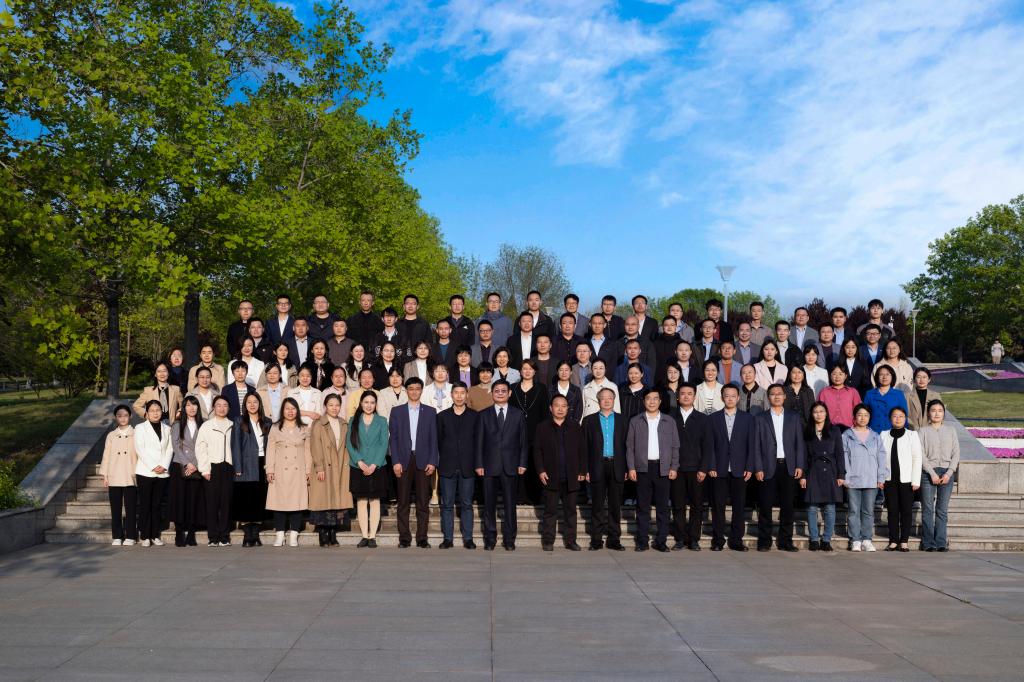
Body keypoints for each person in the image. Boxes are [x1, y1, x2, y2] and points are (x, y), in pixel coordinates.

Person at [475, 380, 527, 551]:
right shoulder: (483, 414)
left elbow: (523, 441)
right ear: (492, 393)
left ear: (509, 393)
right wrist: (479, 464)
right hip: (489, 465)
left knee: (510, 505)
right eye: (496, 390)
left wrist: (522, 462)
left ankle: (509, 539)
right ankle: (490, 538)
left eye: (503, 391)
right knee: (489, 505)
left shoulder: (518, 414)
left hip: (511, 465)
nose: (500, 393)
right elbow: (479, 442)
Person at [754, 385, 806, 552]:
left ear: (785, 396)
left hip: (788, 466)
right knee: (765, 505)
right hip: (767, 466)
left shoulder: (793, 417)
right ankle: (764, 541)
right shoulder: (760, 418)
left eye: (779, 394)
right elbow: (756, 446)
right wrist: (758, 467)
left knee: (788, 506)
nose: (776, 396)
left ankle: (785, 541)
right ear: (768, 397)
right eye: (772, 394)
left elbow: (799, 443)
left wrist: (800, 465)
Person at [626, 389, 679, 552]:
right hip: (643, 469)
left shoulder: (669, 421)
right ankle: (642, 541)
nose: (652, 402)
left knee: (663, 507)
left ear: (660, 401)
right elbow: (630, 447)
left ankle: (661, 541)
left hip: (663, 468)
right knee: (643, 507)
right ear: (644, 401)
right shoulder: (636, 421)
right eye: (648, 398)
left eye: (655, 398)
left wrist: (674, 467)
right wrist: (631, 467)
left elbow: (675, 446)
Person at [389, 378, 439, 548]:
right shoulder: (397, 411)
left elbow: (434, 438)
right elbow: (393, 439)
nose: (414, 391)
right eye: (411, 388)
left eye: (418, 388)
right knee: (403, 502)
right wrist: (395, 461)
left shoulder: (430, 412)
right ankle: (404, 538)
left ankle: (422, 538)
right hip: (403, 460)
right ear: (406, 390)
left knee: (423, 502)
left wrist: (432, 461)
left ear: (421, 390)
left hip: (423, 460)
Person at [535, 395, 587, 551]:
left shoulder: (575, 426)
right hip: (550, 476)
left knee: (570, 511)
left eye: (564, 406)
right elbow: (537, 451)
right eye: (557, 405)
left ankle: (571, 540)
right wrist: (541, 470)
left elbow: (582, 450)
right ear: (551, 408)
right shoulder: (542, 427)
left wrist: (582, 470)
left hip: (571, 476)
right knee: (550, 511)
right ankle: (548, 540)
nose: (560, 409)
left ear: (568, 408)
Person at [707, 385, 756, 551]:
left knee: (739, 506)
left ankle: (736, 540)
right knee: (718, 506)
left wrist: (750, 466)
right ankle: (718, 540)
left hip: (740, 469)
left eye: (733, 396)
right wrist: (711, 465)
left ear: (738, 398)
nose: (730, 399)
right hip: (718, 469)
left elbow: (751, 445)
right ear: (722, 398)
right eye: (726, 396)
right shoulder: (713, 418)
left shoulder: (747, 418)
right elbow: (710, 445)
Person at [582, 388, 627, 551]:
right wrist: (585, 469)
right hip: (597, 465)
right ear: (598, 400)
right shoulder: (589, 421)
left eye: (610, 398)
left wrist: (627, 468)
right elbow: (584, 447)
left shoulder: (623, 420)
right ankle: (596, 539)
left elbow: (627, 446)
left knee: (615, 505)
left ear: (614, 400)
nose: (607, 401)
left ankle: (614, 539)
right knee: (597, 505)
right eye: (603, 398)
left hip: (617, 465)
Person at [437, 382, 480, 549]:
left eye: (462, 393)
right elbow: (438, 441)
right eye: (456, 392)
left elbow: (478, 442)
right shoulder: (442, 416)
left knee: (467, 504)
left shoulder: (475, 416)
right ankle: (448, 538)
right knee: (447, 504)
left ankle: (468, 538)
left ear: (467, 395)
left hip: (468, 466)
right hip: (447, 465)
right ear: (451, 395)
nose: (459, 396)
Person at [671, 383, 712, 551]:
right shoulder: (670, 417)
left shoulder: (703, 419)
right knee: (678, 505)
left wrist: (703, 468)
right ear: (677, 397)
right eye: (683, 393)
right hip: (677, 469)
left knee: (697, 505)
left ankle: (694, 539)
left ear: (695, 396)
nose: (686, 396)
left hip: (696, 469)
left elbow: (708, 446)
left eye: (689, 393)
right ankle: (680, 538)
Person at [308, 394, 353, 548]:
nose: (334, 408)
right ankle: (323, 534)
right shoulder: (318, 423)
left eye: (337, 405)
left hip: (340, 466)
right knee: (323, 501)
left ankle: (333, 533)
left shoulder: (344, 423)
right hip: (324, 466)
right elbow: (315, 446)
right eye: (331, 405)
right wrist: (319, 467)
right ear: (325, 406)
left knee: (336, 501)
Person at [841, 404, 888, 552]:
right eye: (860, 415)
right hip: (853, 480)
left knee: (868, 511)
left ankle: (867, 539)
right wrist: (846, 477)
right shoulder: (847, 435)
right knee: (854, 511)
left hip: (871, 480)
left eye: (866, 415)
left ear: (869, 418)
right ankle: (855, 539)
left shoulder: (875, 436)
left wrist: (881, 477)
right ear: (854, 417)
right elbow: (844, 458)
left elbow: (882, 457)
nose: (863, 418)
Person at [265, 397, 310, 547]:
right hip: (280, 470)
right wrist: (269, 469)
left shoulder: (304, 428)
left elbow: (308, 451)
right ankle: (280, 535)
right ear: (282, 411)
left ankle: (294, 535)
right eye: (287, 408)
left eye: (293, 408)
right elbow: (270, 450)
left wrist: (308, 470)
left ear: (297, 411)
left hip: (298, 470)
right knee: (279, 503)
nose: (290, 411)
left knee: (297, 503)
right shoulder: (275, 428)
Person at [801, 401, 845, 552]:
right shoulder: (807, 431)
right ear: (811, 414)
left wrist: (841, 474)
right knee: (812, 507)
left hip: (831, 471)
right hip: (813, 470)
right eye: (815, 412)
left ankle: (826, 540)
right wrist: (803, 475)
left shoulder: (834, 430)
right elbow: (804, 455)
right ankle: (814, 539)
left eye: (821, 411)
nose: (818, 414)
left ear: (826, 413)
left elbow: (840, 453)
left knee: (830, 508)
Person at [348, 391, 389, 548]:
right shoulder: (353, 420)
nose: (369, 405)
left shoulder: (382, 421)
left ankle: (372, 536)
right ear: (361, 403)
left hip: (376, 466)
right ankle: (364, 535)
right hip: (358, 466)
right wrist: (359, 461)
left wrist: (374, 464)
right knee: (361, 500)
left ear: (376, 404)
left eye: (372, 402)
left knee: (375, 500)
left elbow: (384, 443)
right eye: (366, 402)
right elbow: (349, 443)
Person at [918, 400, 960, 552]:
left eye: (940, 410)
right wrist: (931, 473)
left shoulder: (951, 430)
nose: (936, 413)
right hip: (928, 473)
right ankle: (928, 542)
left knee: (942, 509)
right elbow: (921, 454)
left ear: (944, 413)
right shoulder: (922, 431)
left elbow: (956, 453)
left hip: (947, 473)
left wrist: (949, 473)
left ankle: (941, 541)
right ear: (928, 413)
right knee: (928, 509)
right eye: (933, 410)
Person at [232, 393, 271, 548]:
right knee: (245, 499)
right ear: (245, 404)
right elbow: (235, 445)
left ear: (259, 404)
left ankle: (255, 534)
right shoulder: (239, 421)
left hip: (262, 463)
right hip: (245, 464)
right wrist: (238, 467)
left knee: (259, 498)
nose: (252, 405)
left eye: (255, 402)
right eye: (249, 402)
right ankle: (247, 535)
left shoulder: (267, 421)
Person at [880, 406, 922, 552]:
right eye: (895, 416)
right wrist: (880, 477)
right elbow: (880, 458)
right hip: (889, 479)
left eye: (901, 416)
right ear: (890, 418)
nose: (897, 419)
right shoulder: (883, 435)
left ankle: (904, 541)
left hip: (907, 480)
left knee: (906, 511)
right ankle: (893, 540)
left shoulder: (912, 435)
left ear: (905, 419)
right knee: (892, 510)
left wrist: (916, 480)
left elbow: (917, 458)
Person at [195, 396, 234, 547]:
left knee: (226, 503)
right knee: (212, 503)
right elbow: (201, 448)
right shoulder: (207, 426)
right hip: (212, 467)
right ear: (213, 407)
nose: (222, 408)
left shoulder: (233, 424)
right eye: (218, 405)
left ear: (229, 408)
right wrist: (204, 469)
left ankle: (224, 536)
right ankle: (213, 536)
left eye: (225, 405)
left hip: (228, 467)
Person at [134, 400, 172, 547]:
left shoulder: (167, 428)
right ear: (147, 413)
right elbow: (140, 449)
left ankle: (155, 534)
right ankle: (145, 535)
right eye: (152, 410)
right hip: (145, 471)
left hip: (162, 472)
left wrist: (164, 465)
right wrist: (153, 466)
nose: (155, 413)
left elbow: (170, 449)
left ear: (161, 412)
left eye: (158, 410)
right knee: (145, 504)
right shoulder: (140, 428)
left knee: (157, 505)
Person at [511, 359, 549, 504]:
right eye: (524, 368)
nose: (527, 371)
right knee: (518, 465)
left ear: (534, 371)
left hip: (536, 433)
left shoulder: (541, 388)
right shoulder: (513, 388)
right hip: (516, 433)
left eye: (530, 369)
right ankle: (520, 496)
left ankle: (535, 497)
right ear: (520, 371)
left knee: (534, 464)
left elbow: (545, 413)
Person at [100, 405, 138, 546]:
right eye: (119, 416)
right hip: (114, 474)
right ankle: (117, 535)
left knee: (131, 508)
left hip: (130, 474)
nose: (123, 418)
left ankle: (131, 536)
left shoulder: (136, 433)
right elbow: (106, 456)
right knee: (115, 508)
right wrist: (105, 475)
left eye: (125, 415)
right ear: (116, 418)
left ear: (130, 416)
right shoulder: (111, 435)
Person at [169, 397, 204, 547]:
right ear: (183, 408)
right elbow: (176, 445)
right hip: (180, 465)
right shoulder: (177, 424)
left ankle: (191, 533)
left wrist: (194, 464)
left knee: (193, 500)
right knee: (180, 500)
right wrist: (187, 463)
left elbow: (204, 445)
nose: (192, 408)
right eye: (188, 405)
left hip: (197, 466)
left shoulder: (203, 424)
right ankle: (179, 533)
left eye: (194, 405)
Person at [864, 365, 908, 433]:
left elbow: (904, 415)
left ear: (892, 376)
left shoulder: (899, 394)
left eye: (887, 374)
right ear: (877, 377)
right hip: (873, 431)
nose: (884, 377)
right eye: (881, 374)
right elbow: (864, 413)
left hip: (892, 432)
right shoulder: (869, 394)